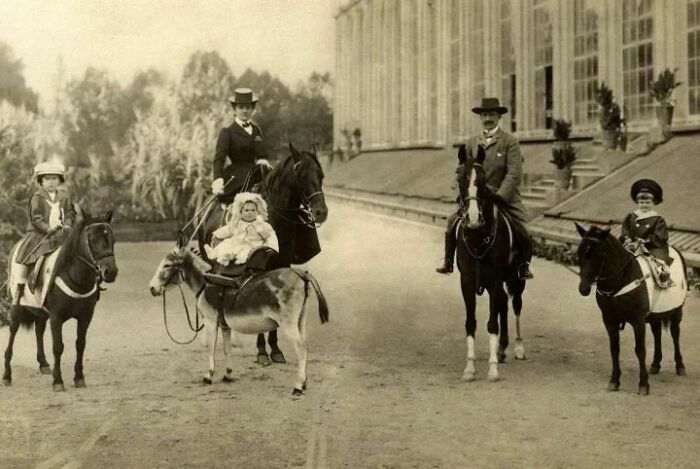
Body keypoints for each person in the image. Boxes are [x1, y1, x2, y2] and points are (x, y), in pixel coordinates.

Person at [436, 97, 534, 280]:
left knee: (523, 228)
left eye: (492, 115)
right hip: (475, 197)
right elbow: (461, 171)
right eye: (485, 115)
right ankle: (448, 261)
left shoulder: (509, 142)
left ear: (499, 117)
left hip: (502, 196)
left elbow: (514, 173)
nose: (488, 118)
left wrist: (500, 196)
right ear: (480, 118)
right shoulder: (471, 143)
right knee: (451, 222)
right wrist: (462, 193)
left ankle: (523, 265)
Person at [14, 161, 76, 303]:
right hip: (40, 234)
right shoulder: (37, 197)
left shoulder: (64, 197)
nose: (51, 182)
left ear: (59, 181)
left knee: (78, 250)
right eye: (47, 179)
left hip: (60, 234)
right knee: (27, 253)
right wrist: (48, 228)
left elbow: (70, 213)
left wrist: (67, 225)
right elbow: (36, 218)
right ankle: (20, 285)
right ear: (41, 181)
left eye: (54, 178)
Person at [211, 88, 272, 202]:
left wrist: (263, 160)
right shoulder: (227, 132)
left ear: (253, 109)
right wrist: (218, 179)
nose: (245, 111)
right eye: (241, 107)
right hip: (237, 174)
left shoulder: (256, 130)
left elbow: (261, 153)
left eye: (248, 107)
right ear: (235, 110)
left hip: (255, 172)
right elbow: (219, 158)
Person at [620, 179, 673, 285]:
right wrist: (627, 238)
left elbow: (660, 236)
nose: (644, 205)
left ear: (654, 203)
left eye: (648, 202)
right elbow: (625, 228)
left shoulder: (657, 219)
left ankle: (662, 274)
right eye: (641, 202)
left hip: (652, 245)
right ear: (637, 202)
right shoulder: (632, 216)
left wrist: (646, 241)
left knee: (658, 259)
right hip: (632, 244)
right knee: (618, 255)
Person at [204, 192, 278, 266]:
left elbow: (270, 236)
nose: (250, 213)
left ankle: (230, 257)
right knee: (225, 246)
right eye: (246, 210)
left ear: (258, 212)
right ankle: (215, 254)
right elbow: (228, 230)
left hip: (251, 246)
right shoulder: (237, 223)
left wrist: (272, 247)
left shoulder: (261, 225)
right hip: (236, 243)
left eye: (253, 210)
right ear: (241, 212)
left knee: (243, 252)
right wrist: (217, 235)